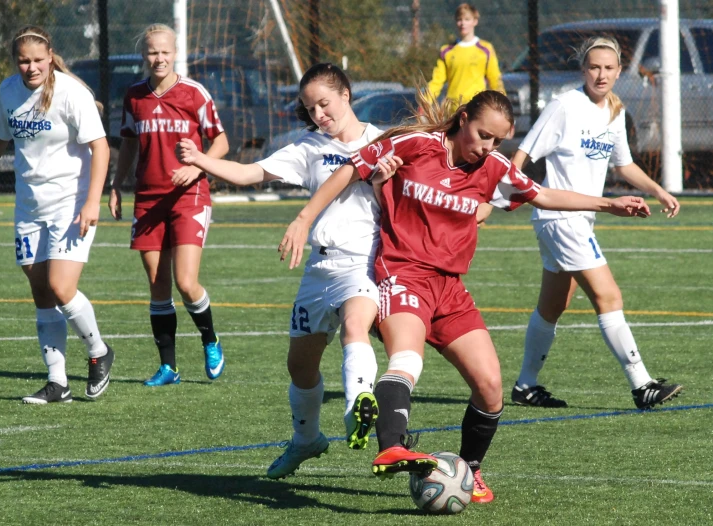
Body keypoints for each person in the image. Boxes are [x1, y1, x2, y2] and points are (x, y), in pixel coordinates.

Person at [278, 89, 651, 503]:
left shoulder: (493, 168)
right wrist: (303, 217)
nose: (487, 147)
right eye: (482, 135)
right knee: (407, 358)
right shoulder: (415, 145)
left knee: (490, 386)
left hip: (451, 289)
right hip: (403, 274)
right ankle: (391, 445)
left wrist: (609, 204)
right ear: (462, 119)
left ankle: (470, 471)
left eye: (497, 140)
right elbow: (350, 169)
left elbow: (542, 195)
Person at [176, 63, 384, 478]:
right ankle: (307, 440)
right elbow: (251, 173)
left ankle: (356, 406)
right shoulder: (309, 146)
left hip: (363, 261)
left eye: (324, 104)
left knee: (354, 328)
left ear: (346, 94)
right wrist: (202, 160)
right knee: (300, 367)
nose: (319, 115)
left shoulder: (383, 141)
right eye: (310, 109)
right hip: (319, 267)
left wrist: (384, 181)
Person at [497, 36, 683, 410]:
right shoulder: (565, 105)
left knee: (553, 305)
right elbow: (523, 153)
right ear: (583, 69)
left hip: (573, 221)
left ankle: (525, 386)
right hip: (560, 217)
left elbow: (623, 165)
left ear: (618, 72)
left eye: (609, 68)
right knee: (609, 296)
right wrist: (498, 193)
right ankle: (642, 384)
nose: (601, 74)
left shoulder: (613, 110)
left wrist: (658, 190)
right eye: (594, 67)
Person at [0, 25, 114, 404]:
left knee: (62, 287)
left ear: (50, 58)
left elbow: (100, 148)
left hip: (71, 202)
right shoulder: (8, 91)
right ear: (15, 62)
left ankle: (98, 351)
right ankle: (57, 382)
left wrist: (92, 201)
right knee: (41, 293)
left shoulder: (71, 93)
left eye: (37, 60)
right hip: (29, 206)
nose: (31, 68)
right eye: (23, 61)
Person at [108, 24, 228, 386]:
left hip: (189, 197)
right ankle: (168, 367)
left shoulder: (193, 93)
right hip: (147, 198)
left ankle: (210, 339)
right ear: (143, 56)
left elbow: (220, 142)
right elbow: (128, 144)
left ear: (175, 53)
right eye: (151, 53)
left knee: (186, 281)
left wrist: (195, 168)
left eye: (164, 52)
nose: (158, 59)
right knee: (158, 287)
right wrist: (116, 184)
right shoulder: (134, 96)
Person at [426, 3, 504, 106]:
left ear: (475, 21)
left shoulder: (486, 49)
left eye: (467, 19)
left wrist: (503, 104)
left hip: (477, 108)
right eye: (459, 20)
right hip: (453, 109)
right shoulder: (446, 50)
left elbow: (495, 79)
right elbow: (437, 81)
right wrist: (425, 103)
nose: (463, 23)